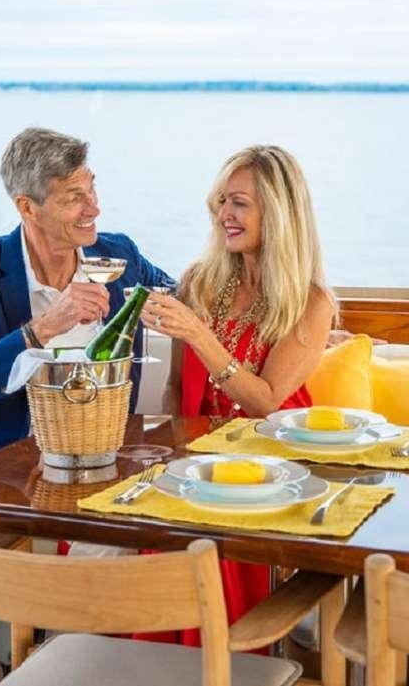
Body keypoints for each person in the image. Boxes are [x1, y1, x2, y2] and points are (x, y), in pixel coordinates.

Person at [0, 127, 173, 545]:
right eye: (74, 198)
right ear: (28, 207)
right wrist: (40, 330)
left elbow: (176, 292)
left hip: (100, 461)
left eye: (92, 190)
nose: (94, 208)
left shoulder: (118, 257)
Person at [136, 144, 334, 645]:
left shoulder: (311, 304)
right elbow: (179, 389)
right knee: (153, 530)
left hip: (275, 466)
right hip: (200, 464)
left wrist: (201, 335)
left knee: (195, 542)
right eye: (222, 201)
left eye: (240, 203)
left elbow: (266, 400)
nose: (224, 214)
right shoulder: (199, 282)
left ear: (279, 211)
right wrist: (167, 456)